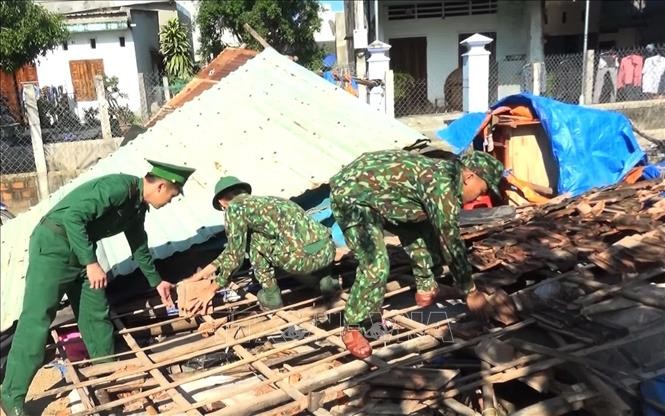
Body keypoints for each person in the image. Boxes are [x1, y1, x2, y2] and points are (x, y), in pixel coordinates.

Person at [0, 160, 195, 416]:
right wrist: (91, 263)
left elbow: (139, 246)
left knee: (96, 316)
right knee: (36, 321)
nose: (169, 202)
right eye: (171, 196)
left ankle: (106, 377)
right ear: (160, 186)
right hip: (54, 247)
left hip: (83, 254)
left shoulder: (137, 208)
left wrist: (156, 282)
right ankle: (11, 394)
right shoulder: (117, 188)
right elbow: (72, 217)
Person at [329, 150, 504, 359]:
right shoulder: (442, 186)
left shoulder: (448, 175)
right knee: (376, 263)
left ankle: (426, 288)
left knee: (424, 228)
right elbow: (451, 242)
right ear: (469, 177)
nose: (480, 196)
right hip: (352, 197)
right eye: (482, 190)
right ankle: (353, 327)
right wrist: (470, 291)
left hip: (388, 196)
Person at [185, 176, 338, 314]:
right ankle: (326, 282)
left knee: (254, 244)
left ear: (221, 202)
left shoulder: (234, 208)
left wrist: (211, 290)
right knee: (264, 239)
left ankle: (272, 298)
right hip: (327, 251)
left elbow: (234, 256)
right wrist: (201, 274)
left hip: (301, 261)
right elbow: (231, 250)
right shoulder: (272, 201)